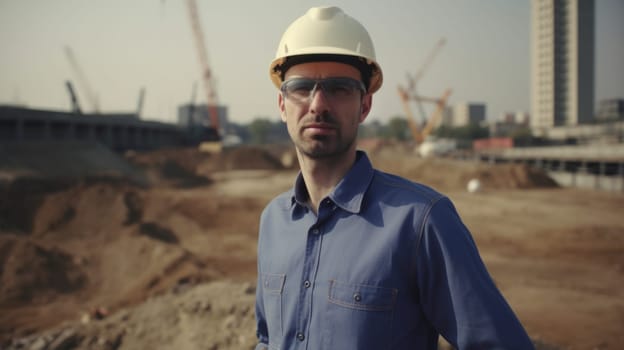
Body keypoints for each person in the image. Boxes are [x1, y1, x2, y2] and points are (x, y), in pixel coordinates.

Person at [255, 6, 534, 350]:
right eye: (301, 87)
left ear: (365, 105)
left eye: (339, 88)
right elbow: (268, 339)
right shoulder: (273, 222)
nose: (318, 104)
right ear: (282, 106)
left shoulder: (422, 221)